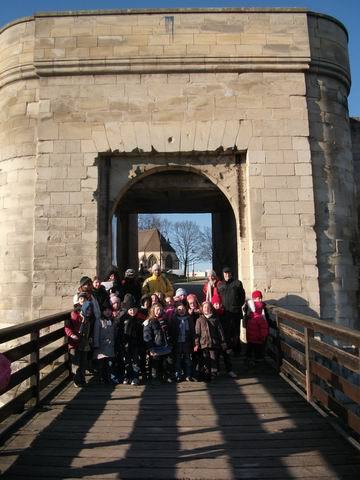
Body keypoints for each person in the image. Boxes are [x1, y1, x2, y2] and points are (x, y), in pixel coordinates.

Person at [195, 301, 227, 382]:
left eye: (208, 307)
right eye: (205, 307)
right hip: (204, 344)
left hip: (214, 343)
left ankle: (213, 374)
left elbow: (220, 331)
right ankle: (206, 374)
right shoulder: (199, 320)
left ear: (211, 308)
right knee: (205, 359)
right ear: (202, 309)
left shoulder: (215, 319)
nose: (206, 309)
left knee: (214, 358)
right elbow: (197, 333)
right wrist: (196, 344)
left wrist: (223, 341)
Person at [218, 266, 246, 354]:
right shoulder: (220, 284)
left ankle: (237, 350)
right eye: (225, 273)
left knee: (236, 332)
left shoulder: (237, 283)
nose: (227, 274)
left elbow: (242, 297)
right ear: (223, 274)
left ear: (231, 273)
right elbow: (218, 297)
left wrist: (237, 306)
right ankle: (228, 350)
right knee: (226, 332)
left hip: (235, 313)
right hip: (225, 313)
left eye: (228, 273)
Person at [143, 303, 173, 384]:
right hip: (156, 346)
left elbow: (169, 332)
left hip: (166, 345)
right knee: (156, 363)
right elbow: (147, 336)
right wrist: (150, 348)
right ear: (153, 311)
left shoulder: (165, 320)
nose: (159, 312)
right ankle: (155, 378)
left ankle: (166, 376)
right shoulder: (149, 321)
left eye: (160, 310)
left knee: (167, 362)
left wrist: (170, 343)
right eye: (157, 310)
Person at [212, 293, 237, 378]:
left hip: (225, 338)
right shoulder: (211, 314)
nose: (217, 305)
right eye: (215, 303)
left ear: (221, 304)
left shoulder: (227, 314)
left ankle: (229, 370)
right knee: (216, 356)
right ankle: (216, 370)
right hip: (215, 339)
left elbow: (232, 327)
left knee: (226, 355)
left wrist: (232, 339)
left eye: (218, 303)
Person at [121, 295, 143, 385]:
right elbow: (120, 332)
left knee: (135, 361)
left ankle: (135, 376)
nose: (132, 311)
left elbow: (142, 333)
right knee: (127, 361)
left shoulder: (140, 319)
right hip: (126, 344)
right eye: (130, 310)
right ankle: (127, 376)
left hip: (136, 344)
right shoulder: (123, 319)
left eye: (134, 309)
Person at [243, 290, 270, 366]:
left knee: (250, 348)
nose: (260, 300)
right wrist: (264, 336)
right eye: (259, 298)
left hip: (251, 337)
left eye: (260, 298)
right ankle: (257, 361)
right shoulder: (260, 316)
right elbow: (264, 328)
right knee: (257, 350)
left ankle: (248, 359)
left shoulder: (250, 314)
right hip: (258, 338)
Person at [170, 302, 195, 382]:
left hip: (186, 342)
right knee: (177, 360)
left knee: (188, 359)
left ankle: (188, 374)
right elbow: (172, 332)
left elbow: (192, 331)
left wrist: (193, 342)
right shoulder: (174, 319)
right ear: (176, 310)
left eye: (183, 309)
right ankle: (178, 375)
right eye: (179, 309)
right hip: (177, 342)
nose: (181, 311)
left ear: (186, 310)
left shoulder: (189, 318)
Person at [93, 302, 115, 384]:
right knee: (101, 364)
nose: (107, 312)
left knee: (109, 364)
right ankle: (100, 379)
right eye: (105, 310)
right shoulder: (99, 321)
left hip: (110, 346)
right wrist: (96, 344)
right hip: (101, 346)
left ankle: (107, 379)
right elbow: (96, 333)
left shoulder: (112, 320)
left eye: (109, 310)